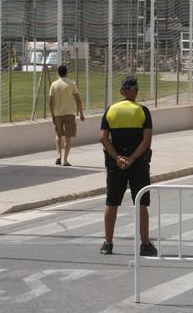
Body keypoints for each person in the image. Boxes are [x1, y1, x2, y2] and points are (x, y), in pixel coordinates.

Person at [98, 76, 157, 256]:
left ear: (122, 91)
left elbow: (102, 137)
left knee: (112, 202)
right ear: (135, 91)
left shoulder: (111, 110)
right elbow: (146, 140)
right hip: (138, 164)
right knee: (141, 204)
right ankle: (145, 244)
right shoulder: (143, 111)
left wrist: (117, 157)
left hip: (116, 165)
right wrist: (131, 159)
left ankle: (108, 243)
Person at [49, 64, 85, 166]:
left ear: (58, 73)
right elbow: (78, 100)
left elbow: (50, 101)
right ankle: (65, 160)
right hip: (69, 113)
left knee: (58, 135)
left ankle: (58, 156)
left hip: (58, 114)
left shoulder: (54, 85)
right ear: (66, 72)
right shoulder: (72, 84)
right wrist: (81, 114)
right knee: (68, 137)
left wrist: (52, 114)